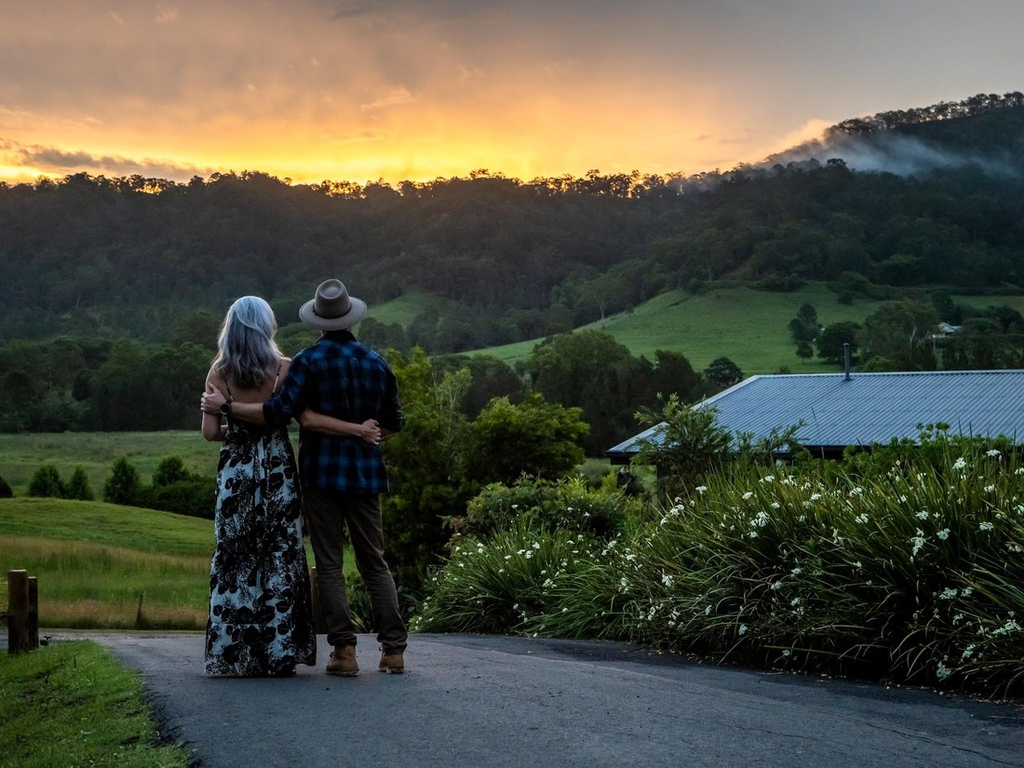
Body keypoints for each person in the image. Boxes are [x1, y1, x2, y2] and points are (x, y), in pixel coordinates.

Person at [202, 278, 408, 677]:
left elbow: (282, 413)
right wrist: (364, 429)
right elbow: (394, 422)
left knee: (329, 565)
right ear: (352, 319)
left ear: (319, 322)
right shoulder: (376, 363)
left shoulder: (308, 362)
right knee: (374, 563)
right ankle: (393, 650)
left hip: (320, 474)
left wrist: (227, 407)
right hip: (365, 475)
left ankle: (344, 652)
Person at [199, 295, 318, 677]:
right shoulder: (284, 369)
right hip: (277, 471)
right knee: (280, 554)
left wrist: (228, 417)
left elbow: (209, 432)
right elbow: (284, 417)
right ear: (266, 328)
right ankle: (279, 650)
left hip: (237, 471)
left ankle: (234, 653)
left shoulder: (218, 373)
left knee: (236, 554)